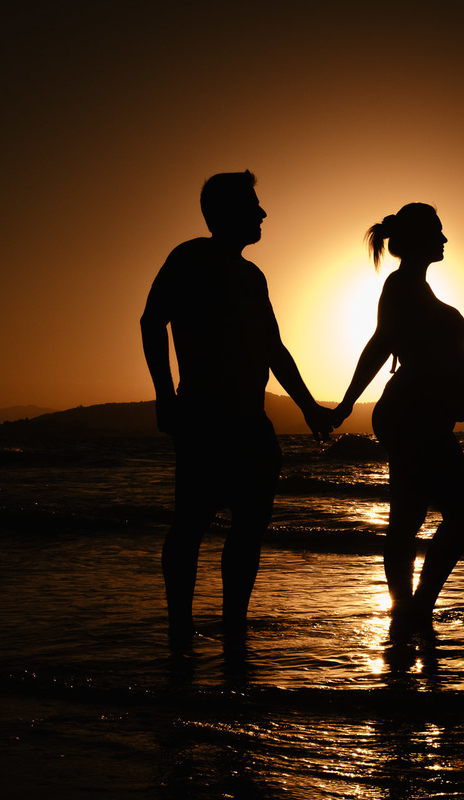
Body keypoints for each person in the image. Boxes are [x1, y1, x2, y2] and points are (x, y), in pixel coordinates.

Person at [140, 170, 333, 647]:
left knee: (248, 529)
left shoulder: (253, 275)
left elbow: (274, 348)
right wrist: (165, 396)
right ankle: (180, 631)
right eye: (253, 204)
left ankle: (233, 629)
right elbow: (151, 321)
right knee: (191, 522)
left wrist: (310, 408)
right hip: (205, 416)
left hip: (252, 422)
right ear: (226, 212)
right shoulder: (190, 257)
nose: (262, 212)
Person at [331, 203, 464, 635]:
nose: (445, 239)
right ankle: (414, 609)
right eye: (438, 231)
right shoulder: (400, 286)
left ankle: (412, 611)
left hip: (420, 414)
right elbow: (380, 345)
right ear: (419, 239)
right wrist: (346, 404)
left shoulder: (416, 286)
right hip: (412, 414)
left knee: (411, 513)